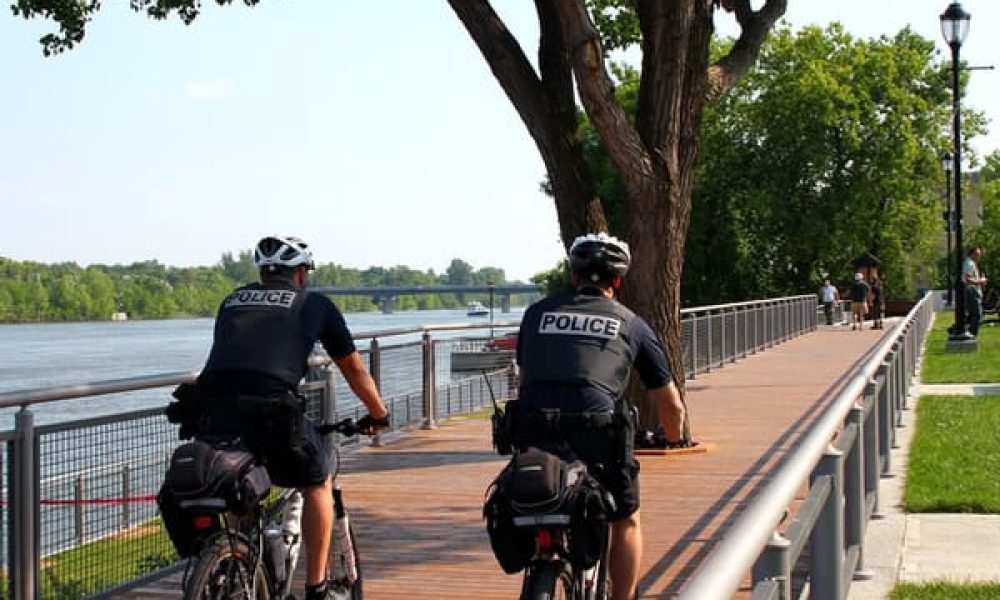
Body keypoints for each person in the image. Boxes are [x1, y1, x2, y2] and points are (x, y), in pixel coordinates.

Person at [195, 235, 390, 600]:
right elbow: (353, 368)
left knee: (241, 477)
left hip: (213, 410)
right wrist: (379, 413)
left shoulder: (232, 300)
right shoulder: (313, 305)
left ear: (263, 273)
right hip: (272, 411)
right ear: (301, 273)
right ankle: (315, 585)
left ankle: (241, 556)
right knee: (317, 479)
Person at [512, 232, 687, 600]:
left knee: (540, 495)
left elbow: (526, 380)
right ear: (618, 282)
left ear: (572, 275)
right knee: (625, 518)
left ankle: (544, 556)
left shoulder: (536, 314)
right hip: (596, 431)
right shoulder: (630, 323)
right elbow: (669, 402)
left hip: (533, 427)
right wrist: (675, 438)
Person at [963, 246, 987, 337]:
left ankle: (958, 329)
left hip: (973, 291)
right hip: (971, 292)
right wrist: (981, 281)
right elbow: (967, 279)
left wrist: (980, 281)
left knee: (972, 315)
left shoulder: (970, 263)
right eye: (977, 254)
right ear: (972, 254)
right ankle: (971, 334)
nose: (979, 256)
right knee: (977, 315)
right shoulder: (969, 263)